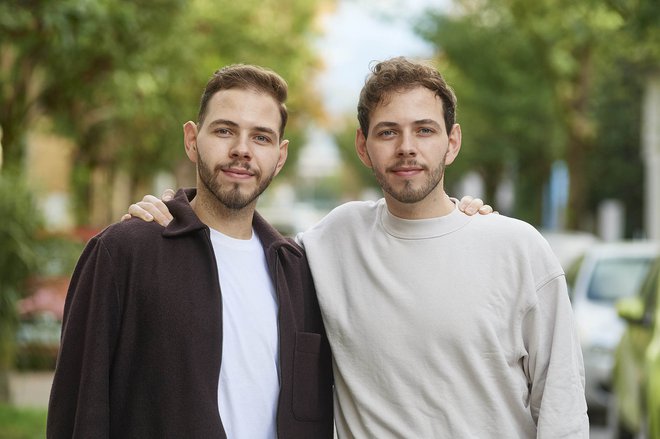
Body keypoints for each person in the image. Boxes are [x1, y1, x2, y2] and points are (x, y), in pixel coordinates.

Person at [129, 57, 588, 437]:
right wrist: (174, 210)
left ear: (452, 143)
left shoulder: (517, 248)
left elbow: (562, 408)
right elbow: (236, 240)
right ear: (363, 148)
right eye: (388, 132)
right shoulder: (331, 241)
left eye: (424, 131)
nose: (407, 148)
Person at [47, 64, 335, 438]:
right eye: (225, 130)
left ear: (279, 158)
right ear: (191, 140)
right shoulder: (123, 253)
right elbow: (79, 408)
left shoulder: (298, 273)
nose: (241, 150)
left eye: (261, 138)